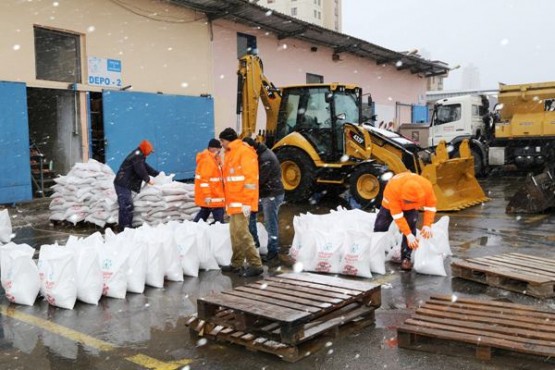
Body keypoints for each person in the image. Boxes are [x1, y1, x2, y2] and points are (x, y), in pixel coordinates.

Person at [218, 128, 263, 277]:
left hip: (242, 203)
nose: (221, 144)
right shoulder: (230, 153)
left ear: (228, 140)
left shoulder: (244, 152)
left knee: (243, 233)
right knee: (235, 234)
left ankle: (256, 264)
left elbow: (250, 180)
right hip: (234, 203)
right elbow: (231, 180)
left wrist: (246, 203)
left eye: (222, 141)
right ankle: (236, 263)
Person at [373, 172, 437, 271]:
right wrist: (408, 234)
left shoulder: (426, 187)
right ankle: (374, 253)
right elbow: (397, 216)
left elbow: (431, 207)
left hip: (412, 207)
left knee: (411, 224)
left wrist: (427, 225)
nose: (407, 203)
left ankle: (406, 258)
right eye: (407, 201)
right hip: (389, 204)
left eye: (410, 201)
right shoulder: (394, 189)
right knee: (380, 227)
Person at [243, 137, 285, 263]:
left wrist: (244, 187)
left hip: (271, 194)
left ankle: (273, 251)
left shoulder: (265, 158)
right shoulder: (261, 154)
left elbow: (259, 180)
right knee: (252, 216)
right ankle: (255, 244)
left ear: (252, 148)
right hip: (267, 193)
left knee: (270, 222)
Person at [113, 139, 159, 230]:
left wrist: (157, 174)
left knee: (127, 205)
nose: (149, 154)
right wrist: (147, 179)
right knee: (126, 205)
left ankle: (126, 227)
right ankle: (124, 228)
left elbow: (146, 167)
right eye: (149, 152)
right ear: (145, 149)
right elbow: (140, 169)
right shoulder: (137, 156)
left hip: (124, 183)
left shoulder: (139, 155)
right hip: (122, 184)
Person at [193, 139, 225, 224]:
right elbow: (204, 180)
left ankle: (194, 227)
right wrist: (207, 195)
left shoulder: (214, 159)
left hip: (215, 195)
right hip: (213, 196)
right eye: (218, 149)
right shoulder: (208, 161)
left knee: (204, 213)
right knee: (219, 221)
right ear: (212, 149)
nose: (219, 152)